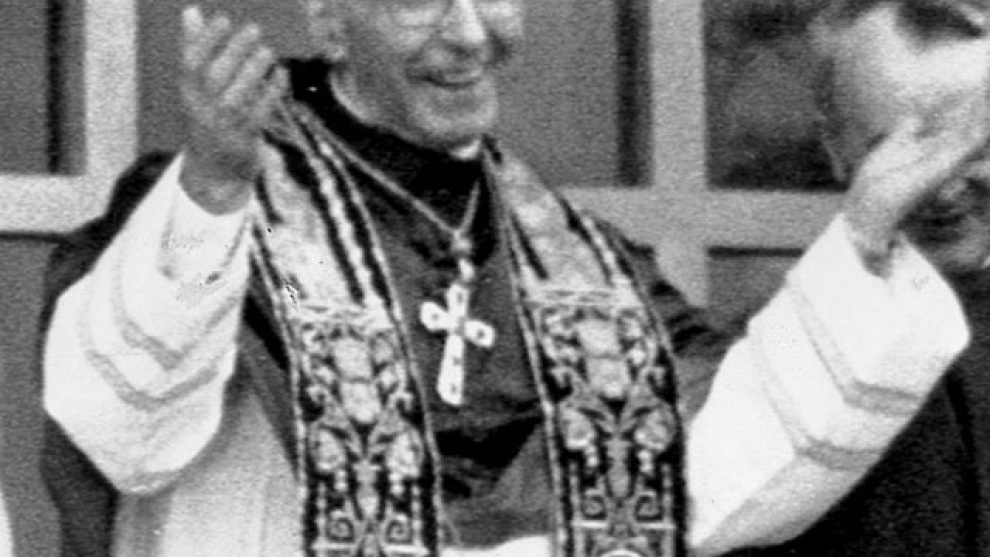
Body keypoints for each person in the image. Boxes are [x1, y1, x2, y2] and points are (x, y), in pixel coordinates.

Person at [37, 0, 984, 556]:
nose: (471, 32)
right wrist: (211, 189)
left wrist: (864, 233)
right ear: (330, 20)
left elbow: (718, 469)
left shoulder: (586, 269)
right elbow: (123, 437)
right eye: (422, 3)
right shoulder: (209, 209)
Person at [726, 0, 990, 555]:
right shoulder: (780, 371)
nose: (942, 186)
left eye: (974, 149)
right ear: (835, 150)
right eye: (895, 152)